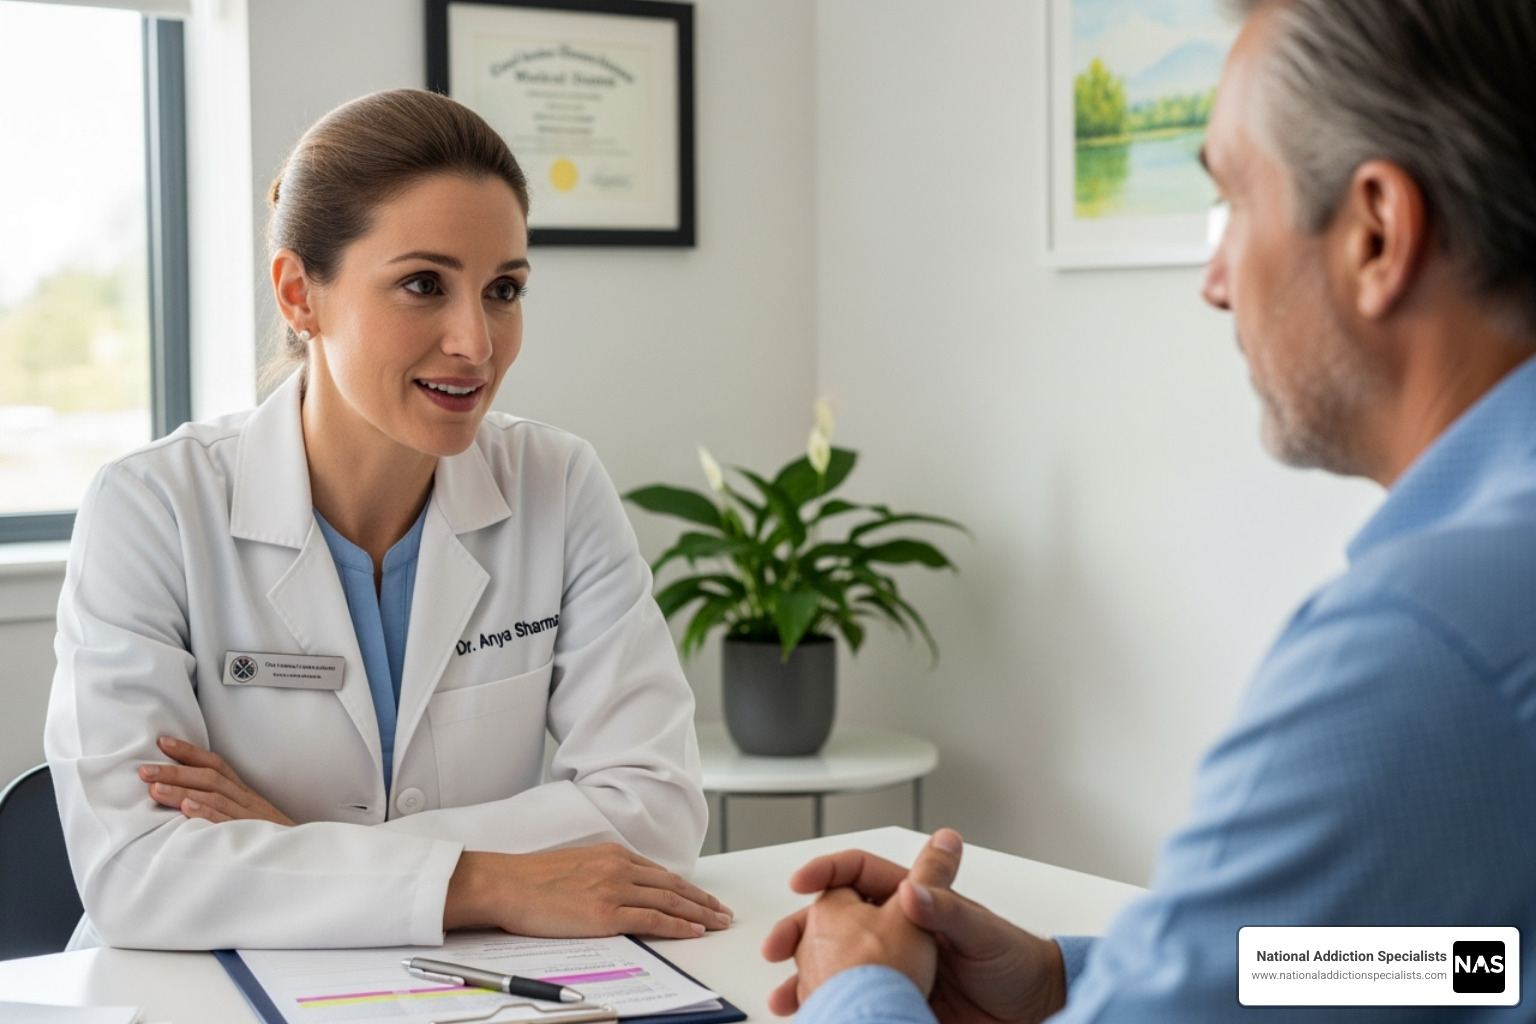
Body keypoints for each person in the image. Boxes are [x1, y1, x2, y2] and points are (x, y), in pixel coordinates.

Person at [764, 0, 1536, 1020]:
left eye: (1233, 204)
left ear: (1377, 233)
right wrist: (1077, 976)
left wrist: (855, 988)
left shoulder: (1425, 643)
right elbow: (1483, 962)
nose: (1216, 281)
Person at [44, 88, 728, 951]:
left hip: (470, 984)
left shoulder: (557, 482)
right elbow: (137, 874)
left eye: (504, 289)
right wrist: (484, 879)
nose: (476, 342)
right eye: (422, 284)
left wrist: (296, 853)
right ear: (300, 294)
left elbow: (656, 815)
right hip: (198, 986)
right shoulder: (150, 509)